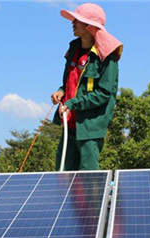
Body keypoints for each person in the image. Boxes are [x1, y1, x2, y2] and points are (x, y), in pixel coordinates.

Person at [51, 3, 123, 171]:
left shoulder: (107, 56)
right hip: (70, 124)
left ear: (90, 26)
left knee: (88, 181)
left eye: (77, 20)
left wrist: (72, 103)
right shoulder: (74, 48)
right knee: (62, 176)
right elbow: (70, 81)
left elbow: (104, 93)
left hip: (90, 129)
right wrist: (61, 91)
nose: (73, 23)